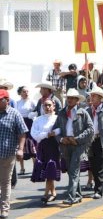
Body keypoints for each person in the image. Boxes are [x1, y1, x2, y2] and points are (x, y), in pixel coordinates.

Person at [52, 88, 94, 205]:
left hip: (78, 145)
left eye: (72, 98)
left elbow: (90, 129)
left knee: (74, 170)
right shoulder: (61, 112)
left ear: (77, 100)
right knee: (72, 171)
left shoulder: (83, 112)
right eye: (68, 98)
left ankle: (71, 196)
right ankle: (78, 195)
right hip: (66, 145)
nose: (69, 100)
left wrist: (78, 139)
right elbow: (55, 129)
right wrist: (61, 139)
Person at [0, 89, 28, 219]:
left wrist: (20, 149)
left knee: (5, 182)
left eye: (1, 100)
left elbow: (22, 132)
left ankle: (4, 209)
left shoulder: (14, 114)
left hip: (8, 154)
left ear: (6, 100)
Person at [30, 99, 61, 203]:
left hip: (53, 146)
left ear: (54, 106)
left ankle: (46, 194)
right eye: (45, 105)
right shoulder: (38, 119)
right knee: (46, 169)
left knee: (50, 168)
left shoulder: (57, 118)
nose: (47, 107)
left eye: (49, 105)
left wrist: (54, 133)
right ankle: (53, 193)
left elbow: (61, 129)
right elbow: (34, 133)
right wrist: (46, 134)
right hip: (43, 146)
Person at [16, 86, 36, 175]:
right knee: (21, 146)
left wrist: (32, 115)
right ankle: (22, 168)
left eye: (27, 91)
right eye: (24, 91)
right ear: (20, 93)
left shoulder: (32, 102)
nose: (26, 93)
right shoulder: (17, 103)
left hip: (30, 124)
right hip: (20, 123)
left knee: (31, 145)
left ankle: (35, 167)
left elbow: (36, 112)